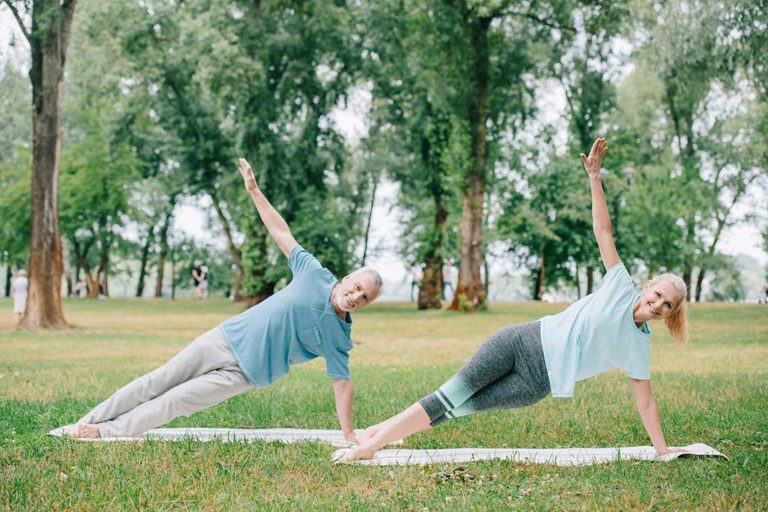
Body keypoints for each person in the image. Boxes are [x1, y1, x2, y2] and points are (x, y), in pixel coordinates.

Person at [342, 138, 689, 461]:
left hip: (535, 384)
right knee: (449, 395)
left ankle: (375, 433)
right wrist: (594, 179)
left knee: (455, 408)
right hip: (521, 342)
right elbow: (603, 231)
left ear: (670, 313)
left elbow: (645, 402)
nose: (658, 304)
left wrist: (662, 450)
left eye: (667, 305)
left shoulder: (638, 346)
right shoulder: (619, 285)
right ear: (648, 285)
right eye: (658, 294)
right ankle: (371, 445)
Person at [64, 158, 383, 442]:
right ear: (346, 279)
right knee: (157, 381)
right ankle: (89, 421)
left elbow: (342, 385)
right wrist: (254, 191)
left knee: (176, 401)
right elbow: (281, 232)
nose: (356, 296)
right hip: (224, 339)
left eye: (364, 297)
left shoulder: (339, 338)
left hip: (243, 375)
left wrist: (348, 433)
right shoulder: (314, 273)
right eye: (356, 287)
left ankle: (106, 432)